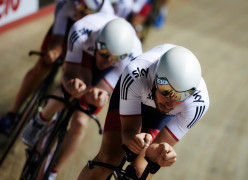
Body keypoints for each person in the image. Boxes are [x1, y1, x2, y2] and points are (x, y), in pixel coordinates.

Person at [21, 12, 142, 179]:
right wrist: (72, 83)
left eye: (113, 58)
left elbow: (104, 91)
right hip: (84, 54)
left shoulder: (133, 58)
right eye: (105, 54)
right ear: (99, 43)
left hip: (113, 71)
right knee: (72, 88)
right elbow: (68, 73)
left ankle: (53, 170)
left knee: (80, 121)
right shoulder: (82, 32)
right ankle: (41, 119)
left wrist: (99, 96)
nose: (107, 61)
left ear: (122, 56)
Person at [78, 44, 210, 180]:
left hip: (160, 117)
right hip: (134, 95)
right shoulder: (136, 72)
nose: (170, 103)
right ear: (155, 79)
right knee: (107, 159)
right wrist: (132, 138)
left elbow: (153, 152)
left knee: (141, 172)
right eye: (166, 91)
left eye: (180, 97)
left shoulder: (198, 104)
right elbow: (128, 132)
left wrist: (160, 152)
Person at [0, 0, 114, 134]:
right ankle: (12, 113)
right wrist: (53, 52)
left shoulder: (106, 15)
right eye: (79, 8)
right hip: (68, 26)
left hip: (89, 40)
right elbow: (58, 36)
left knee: (76, 77)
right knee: (43, 64)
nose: (79, 13)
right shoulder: (66, 4)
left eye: (85, 12)